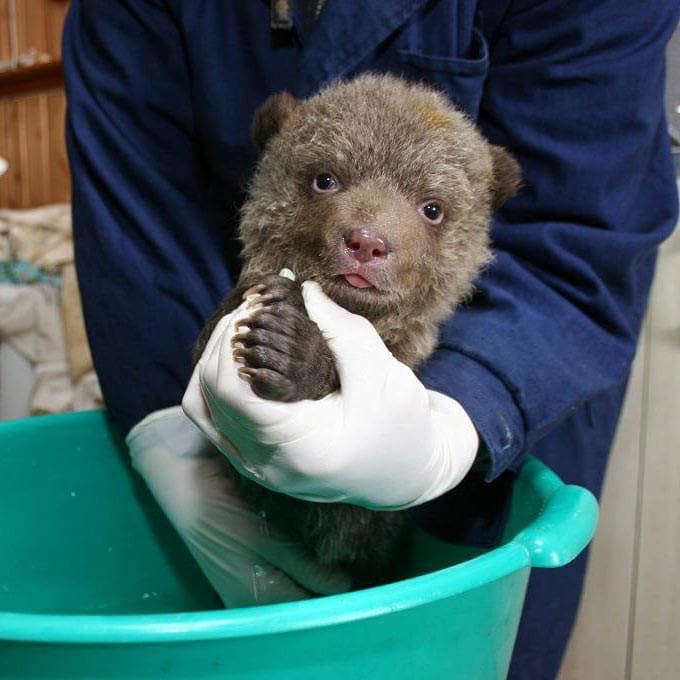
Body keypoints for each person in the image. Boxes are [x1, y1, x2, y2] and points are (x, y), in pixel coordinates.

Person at [62, 2, 679, 678]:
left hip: (510, 376)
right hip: (208, 327)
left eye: (429, 210)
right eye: (328, 184)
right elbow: (137, 209)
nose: (366, 234)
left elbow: (580, 228)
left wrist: (452, 420)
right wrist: (165, 427)